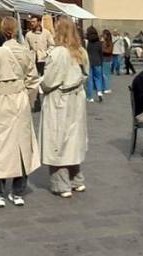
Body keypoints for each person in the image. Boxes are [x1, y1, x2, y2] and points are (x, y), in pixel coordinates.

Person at [0, 17, 40, 207]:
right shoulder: (25, 52)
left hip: (0, 101)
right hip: (20, 100)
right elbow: (33, 80)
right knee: (22, 146)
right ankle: (18, 191)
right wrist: (28, 100)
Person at [40, 18, 89, 198]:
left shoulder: (58, 53)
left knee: (57, 140)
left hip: (60, 100)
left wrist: (40, 85)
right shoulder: (80, 51)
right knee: (73, 140)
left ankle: (62, 184)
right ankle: (77, 179)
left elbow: (50, 80)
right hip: (76, 100)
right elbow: (86, 74)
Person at [84, 26, 105, 102]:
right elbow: (101, 54)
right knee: (98, 78)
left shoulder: (87, 42)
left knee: (90, 80)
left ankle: (90, 97)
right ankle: (99, 92)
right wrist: (101, 62)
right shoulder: (99, 43)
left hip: (89, 62)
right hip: (98, 62)